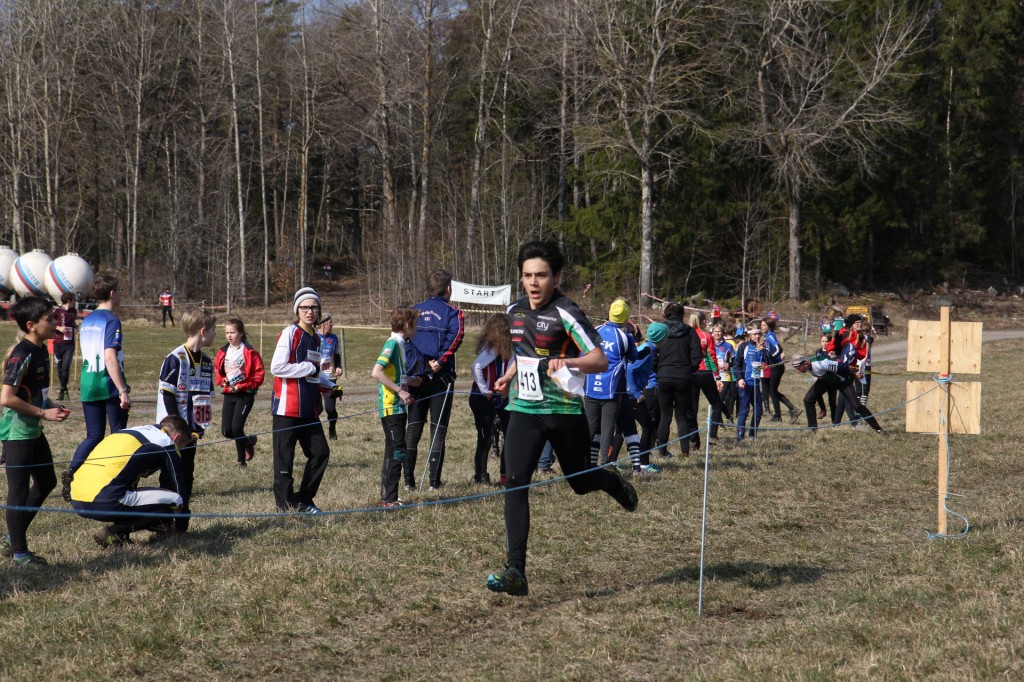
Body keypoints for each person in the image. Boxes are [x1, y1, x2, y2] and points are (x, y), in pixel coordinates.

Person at [486, 240, 638, 597]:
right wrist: (509, 375)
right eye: (527, 276)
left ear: (556, 276)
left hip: (565, 411)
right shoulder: (515, 310)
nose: (534, 283)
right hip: (524, 410)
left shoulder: (567, 312)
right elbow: (522, 353)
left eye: (541, 275)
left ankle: (613, 482)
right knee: (516, 483)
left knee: (580, 482)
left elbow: (599, 359)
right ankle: (515, 571)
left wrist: (566, 362)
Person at [0, 297, 70, 565]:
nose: (55, 322)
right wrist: (43, 413)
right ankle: (19, 552)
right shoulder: (22, 354)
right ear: (31, 325)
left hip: (32, 427)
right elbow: (7, 398)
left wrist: (52, 406)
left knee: (46, 482)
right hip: (17, 431)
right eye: (49, 319)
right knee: (18, 490)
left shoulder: (41, 349)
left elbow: (35, 393)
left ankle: (12, 538)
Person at [71, 415, 194, 548]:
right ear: (177, 438)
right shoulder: (167, 443)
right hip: (105, 501)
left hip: (77, 500)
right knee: (175, 500)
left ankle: (124, 535)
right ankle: (114, 532)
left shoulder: (129, 432)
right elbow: (178, 486)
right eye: (181, 447)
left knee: (125, 487)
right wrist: (182, 527)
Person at [270, 287, 341, 513]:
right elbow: (277, 367)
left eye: (314, 307)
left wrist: (329, 387)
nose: (309, 311)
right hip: (287, 409)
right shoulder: (290, 333)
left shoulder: (316, 339)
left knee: (321, 453)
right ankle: (284, 507)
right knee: (285, 461)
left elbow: (313, 375)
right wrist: (309, 367)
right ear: (297, 310)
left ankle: (304, 500)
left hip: (309, 410)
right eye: (305, 307)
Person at [156, 307, 216, 532]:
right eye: (214, 330)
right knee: (170, 475)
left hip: (191, 434)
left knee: (187, 476)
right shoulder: (175, 359)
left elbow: (206, 399)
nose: (215, 335)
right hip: (172, 433)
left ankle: (181, 522)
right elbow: (168, 394)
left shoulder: (208, 362)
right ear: (203, 331)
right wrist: (176, 428)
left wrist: (199, 428)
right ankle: (162, 521)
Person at [405, 269, 465, 491]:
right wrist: (440, 360)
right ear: (448, 289)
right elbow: (457, 335)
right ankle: (433, 483)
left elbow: (405, 342)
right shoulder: (453, 313)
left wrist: (419, 364)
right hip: (440, 378)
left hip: (416, 378)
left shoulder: (413, 312)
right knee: (437, 430)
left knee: (413, 429)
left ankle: (409, 482)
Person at [67, 273, 131, 479]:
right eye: (119, 290)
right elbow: (110, 357)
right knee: (119, 434)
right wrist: (122, 389)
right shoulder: (112, 320)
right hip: (107, 383)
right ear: (112, 293)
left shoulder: (87, 320)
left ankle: (72, 472)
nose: (121, 294)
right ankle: (115, 478)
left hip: (88, 382)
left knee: (93, 435)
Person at [370, 307, 420, 507]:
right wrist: (400, 390)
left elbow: (392, 373)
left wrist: (410, 380)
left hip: (398, 407)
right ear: (407, 326)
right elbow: (377, 372)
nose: (416, 329)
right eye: (415, 325)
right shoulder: (392, 343)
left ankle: (388, 497)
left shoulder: (400, 344)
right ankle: (389, 499)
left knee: (393, 450)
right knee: (398, 451)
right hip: (391, 407)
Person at [585, 299, 638, 467]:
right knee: (607, 427)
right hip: (612, 390)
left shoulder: (595, 330)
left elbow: (583, 353)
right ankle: (605, 463)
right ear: (625, 318)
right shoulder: (625, 336)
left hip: (590, 386)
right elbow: (633, 357)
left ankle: (583, 463)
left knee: (590, 427)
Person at [214, 315, 266, 468]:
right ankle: (248, 441)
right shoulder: (223, 351)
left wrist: (242, 386)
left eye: (233, 332)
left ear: (241, 333)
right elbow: (218, 371)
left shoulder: (249, 352)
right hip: (229, 393)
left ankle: (241, 461)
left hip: (245, 394)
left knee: (237, 428)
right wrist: (222, 380)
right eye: (227, 333)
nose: (229, 336)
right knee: (226, 431)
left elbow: (259, 375)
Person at [653, 302, 702, 458]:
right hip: (683, 376)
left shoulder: (660, 330)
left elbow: (652, 351)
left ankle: (662, 451)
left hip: (664, 375)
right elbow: (697, 354)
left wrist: (657, 369)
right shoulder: (689, 332)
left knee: (665, 415)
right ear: (682, 315)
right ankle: (685, 451)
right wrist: (690, 369)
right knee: (681, 415)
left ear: (666, 315)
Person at [469, 313, 513, 485]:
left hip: (501, 396)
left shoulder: (508, 348)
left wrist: (507, 388)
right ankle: (480, 476)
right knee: (485, 438)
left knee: (509, 435)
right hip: (482, 398)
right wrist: (484, 389)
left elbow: (510, 368)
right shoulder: (491, 347)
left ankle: (505, 476)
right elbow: (476, 367)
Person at [792, 353, 884, 433]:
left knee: (857, 406)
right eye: (796, 369)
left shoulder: (822, 364)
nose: (799, 370)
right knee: (808, 400)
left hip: (841, 381)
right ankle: (813, 430)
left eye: (799, 368)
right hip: (826, 380)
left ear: (806, 363)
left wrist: (855, 373)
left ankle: (878, 429)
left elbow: (842, 366)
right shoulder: (807, 364)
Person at [687, 311, 722, 445]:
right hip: (705, 372)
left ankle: (693, 439)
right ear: (702, 321)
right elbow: (711, 356)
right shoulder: (707, 336)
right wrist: (717, 376)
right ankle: (712, 435)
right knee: (716, 404)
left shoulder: (686, 335)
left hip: (691, 373)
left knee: (692, 407)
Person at [762, 316, 801, 424]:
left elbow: (779, 349)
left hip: (777, 366)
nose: (761, 327)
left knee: (772, 391)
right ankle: (792, 410)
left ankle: (778, 415)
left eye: (764, 325)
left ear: (769, 326)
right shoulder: (768, 336)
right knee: (772, 390)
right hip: (774, 365)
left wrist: (772, 357)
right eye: (761, 325)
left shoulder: (770, 336)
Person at [734, 323, 768, 444]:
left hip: (756, 383)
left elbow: (768, 362)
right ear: (750, 334)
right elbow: (736, 364)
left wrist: (764, 351)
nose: (757, 336)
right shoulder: (744, 346)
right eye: (755, 334)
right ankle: (740, 436)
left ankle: (753, 433)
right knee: (744, 410)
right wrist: (739, 378)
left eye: (759, 333)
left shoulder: (762, 347)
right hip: (745, 383)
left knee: (758, 410)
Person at [317, 315, 344, 440]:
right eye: (330, 323)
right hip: (315, 378)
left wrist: (338, 366)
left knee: (331, 408)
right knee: (316, 408)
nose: (332, 326)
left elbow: (337, 354)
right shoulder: (314, 337)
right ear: (323, 324)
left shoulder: (334, 338)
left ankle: (332, 429)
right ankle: (316, 434)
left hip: (330, 378)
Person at [52, 292, 78, 401]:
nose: (75, 302)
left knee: (65, 367)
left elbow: (72, 323)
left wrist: (77, 328)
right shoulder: (56, 311)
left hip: (69, 344)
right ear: (69, 300)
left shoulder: (73, 312)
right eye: (74, 300)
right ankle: (64, 388)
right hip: (58, 343)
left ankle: (62, 391)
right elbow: (50, 325)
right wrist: (59, 328)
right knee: (60, 368)